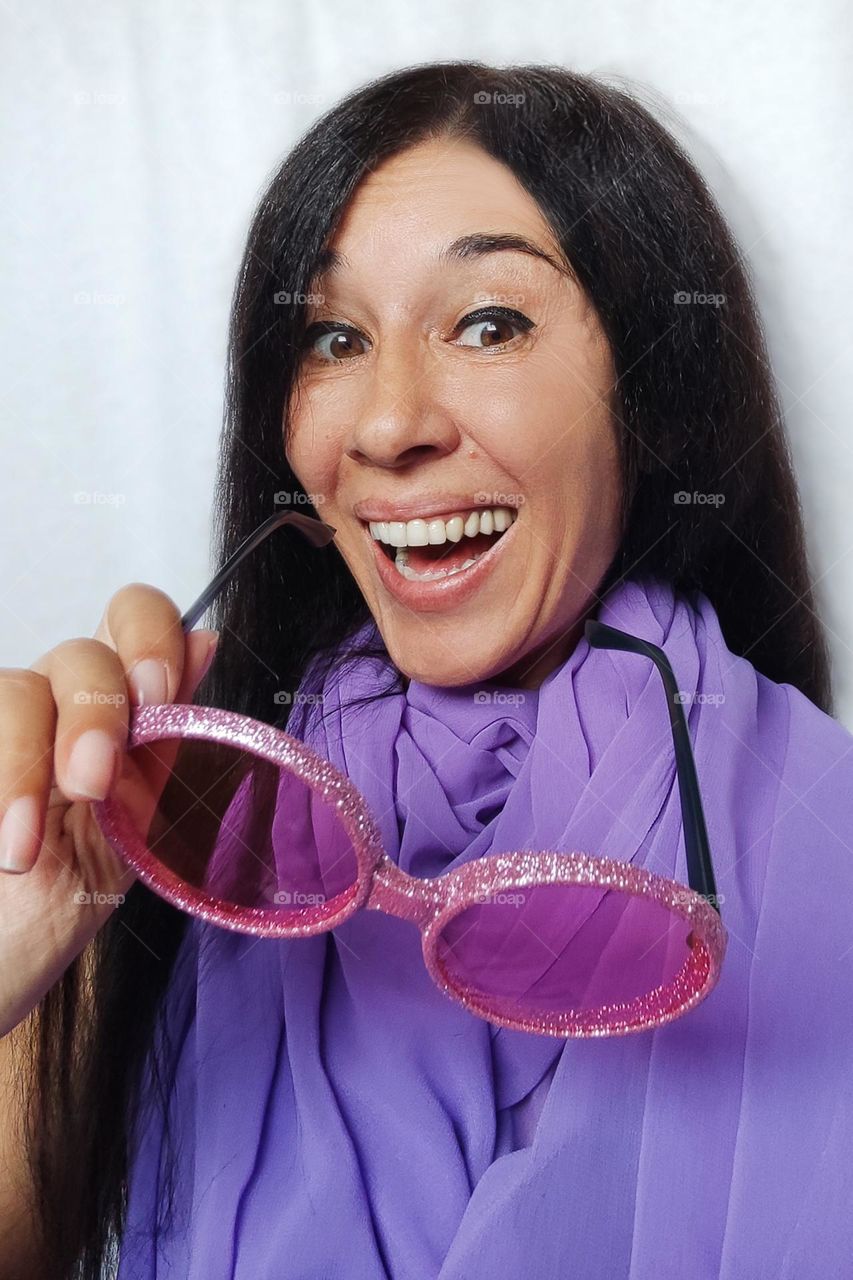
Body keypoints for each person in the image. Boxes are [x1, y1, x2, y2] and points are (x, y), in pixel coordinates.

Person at [1, 60, 852, 1279]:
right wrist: (34, 916)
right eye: (333, 336)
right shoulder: (177, 824)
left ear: (651, 391)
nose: (388, 422)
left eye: (488, 322)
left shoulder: (828, 846)